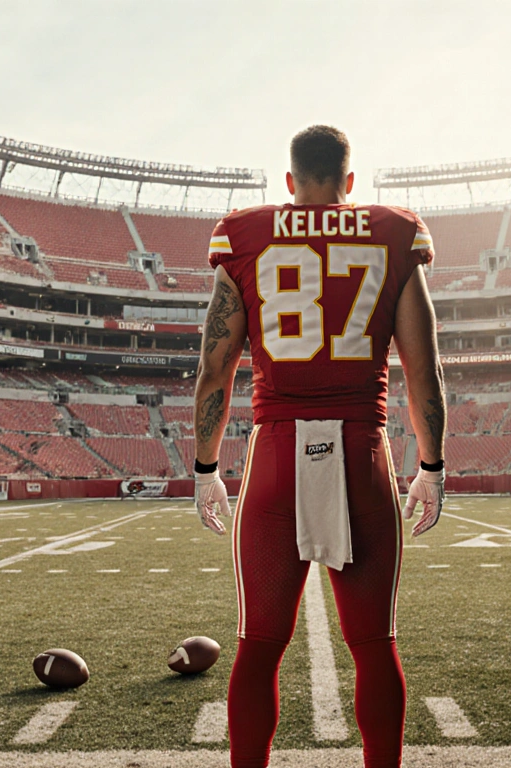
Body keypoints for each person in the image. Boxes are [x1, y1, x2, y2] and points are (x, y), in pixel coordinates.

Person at [192, 125, 448, 768]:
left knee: (258, 645)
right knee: (374, 644)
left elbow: (215, 369)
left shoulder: (245, 235)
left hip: (276, 457)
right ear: (349, 181)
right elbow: (424, 369)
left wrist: (204, 467)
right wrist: (432, 466)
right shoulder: (393, 233)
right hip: (363, 454)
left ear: (289, 181)